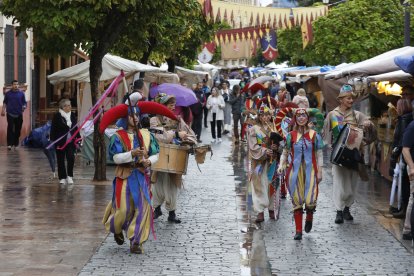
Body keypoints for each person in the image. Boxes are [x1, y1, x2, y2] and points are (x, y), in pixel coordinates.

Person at [101, 97, 163, 254]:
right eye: (131, 115)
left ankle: (136, 241)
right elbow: (115, 158)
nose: (134, 117)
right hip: (124, 176)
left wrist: (149, 161)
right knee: (122, 210)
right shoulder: (118, 136)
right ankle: (116, 228)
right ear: (125, 117)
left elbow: (156, 153)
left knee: (142, 208)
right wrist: (131, 153)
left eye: (136, 114)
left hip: (141, 176)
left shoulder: (146, 135)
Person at [323, 84, 370, 224]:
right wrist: (329, 147)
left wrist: (368, 124)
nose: (351, 101)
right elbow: (325, 133)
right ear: (341, 99)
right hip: (338, 155)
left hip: (354, 155)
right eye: (348, 98)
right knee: (338, 183)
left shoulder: (357, 115)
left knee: (352, 183)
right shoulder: (332, 115)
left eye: (352, 98)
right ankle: (338, 211)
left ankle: (347, 208)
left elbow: (368, 127)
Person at [150, 94, 197, 223]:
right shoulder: (154, 120)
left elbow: (189, 133)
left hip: (174, 157)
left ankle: (172, 213)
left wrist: (188, 140)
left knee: (172, 184)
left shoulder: (177, 119)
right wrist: (175, 133)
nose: (173, 107)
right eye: (170, 105)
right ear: (163, 106)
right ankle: (157, 209)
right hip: (159, 156)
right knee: (157, 183)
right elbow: (158, 135)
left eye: (173, 105)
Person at [278, 108, 324, 240]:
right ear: (295, 119)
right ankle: (298, 231)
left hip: (311, 170)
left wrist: (320, 172)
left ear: (308, 118)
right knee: (297, 199)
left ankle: (309, 215)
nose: (301, 118)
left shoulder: (314, 135)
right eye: (298, 116)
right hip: (295, 171)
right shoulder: (290, 135)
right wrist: (281, 165)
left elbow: (319, 154)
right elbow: (285, 152)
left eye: (304, 116)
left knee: (310, 199)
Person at [247, 105, 279, 223]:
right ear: (259, 116)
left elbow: (282, 144)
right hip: (259, 162)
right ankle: (260, 211)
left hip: (273, 162)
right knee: (259, 185)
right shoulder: (253, 129)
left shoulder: (274, 128)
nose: (265, 117)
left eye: (267, 115)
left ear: (270, 116)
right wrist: (266, 151)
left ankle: (272, 208)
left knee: (272, 183)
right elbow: (253, 146)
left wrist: (276, 148)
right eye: (263, 115)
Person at [389, 98, 412, 220]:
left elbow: (401, 140)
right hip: (403, 154)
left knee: (404, 183)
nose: (396, 109)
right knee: (404, 182)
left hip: (403, 155)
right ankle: (401, 207)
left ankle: (403, 209)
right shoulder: (407, 119)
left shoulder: (404, 120)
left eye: (398, 106)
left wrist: (394, 156)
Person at [50, 99, 81, 184]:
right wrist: (53, 141)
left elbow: (75, 127)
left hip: (71, 142)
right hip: (60, 142)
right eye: (68, 105)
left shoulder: (73, 115)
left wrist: (79, 138)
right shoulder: (57, 116)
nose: (70, 107)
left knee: (71, 158)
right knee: (60, 159)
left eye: (70, 105)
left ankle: (70, 176)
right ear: (63, 107)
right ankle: (62, 177)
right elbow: (53, 129)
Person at [1, 80, 27, 150]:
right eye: (14, 84)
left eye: (17, 84)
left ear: (18, 85)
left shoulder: (21, 94)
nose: (16, 85)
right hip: (10, 113)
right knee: (10, 128)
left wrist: (24, 107)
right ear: (12, 85)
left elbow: (24, 103)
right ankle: (9, 144)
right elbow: (5, 102)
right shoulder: (8, 94)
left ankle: (15, 144)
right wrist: (3, 110)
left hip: (19, 113)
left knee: (18, 129)